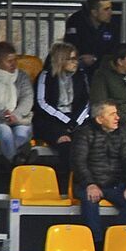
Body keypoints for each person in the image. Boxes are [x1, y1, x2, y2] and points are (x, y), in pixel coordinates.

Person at [72, 101, 126, 237]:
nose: (117, 117)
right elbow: (78, 162)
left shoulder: (123, 132)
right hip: (88, 184)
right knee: (90, 200)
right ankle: (97, 242)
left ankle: (113, 236)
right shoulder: (84, 133)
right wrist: (90, 184)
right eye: (112, 114)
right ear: (99, 119)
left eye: (116, 113)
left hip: (115, 185)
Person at [34, 43, 91, 180]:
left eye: (75, 59)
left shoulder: (81, 76)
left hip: (76, 120)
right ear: (60, 60)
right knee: (66, 143)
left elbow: (87, 101)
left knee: (85, 141)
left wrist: (75, 121)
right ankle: (66, 182)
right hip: (50, 120)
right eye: (70, 59)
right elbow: (42, 103)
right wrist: (65, 120)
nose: (75, 62)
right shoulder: (45, 76)